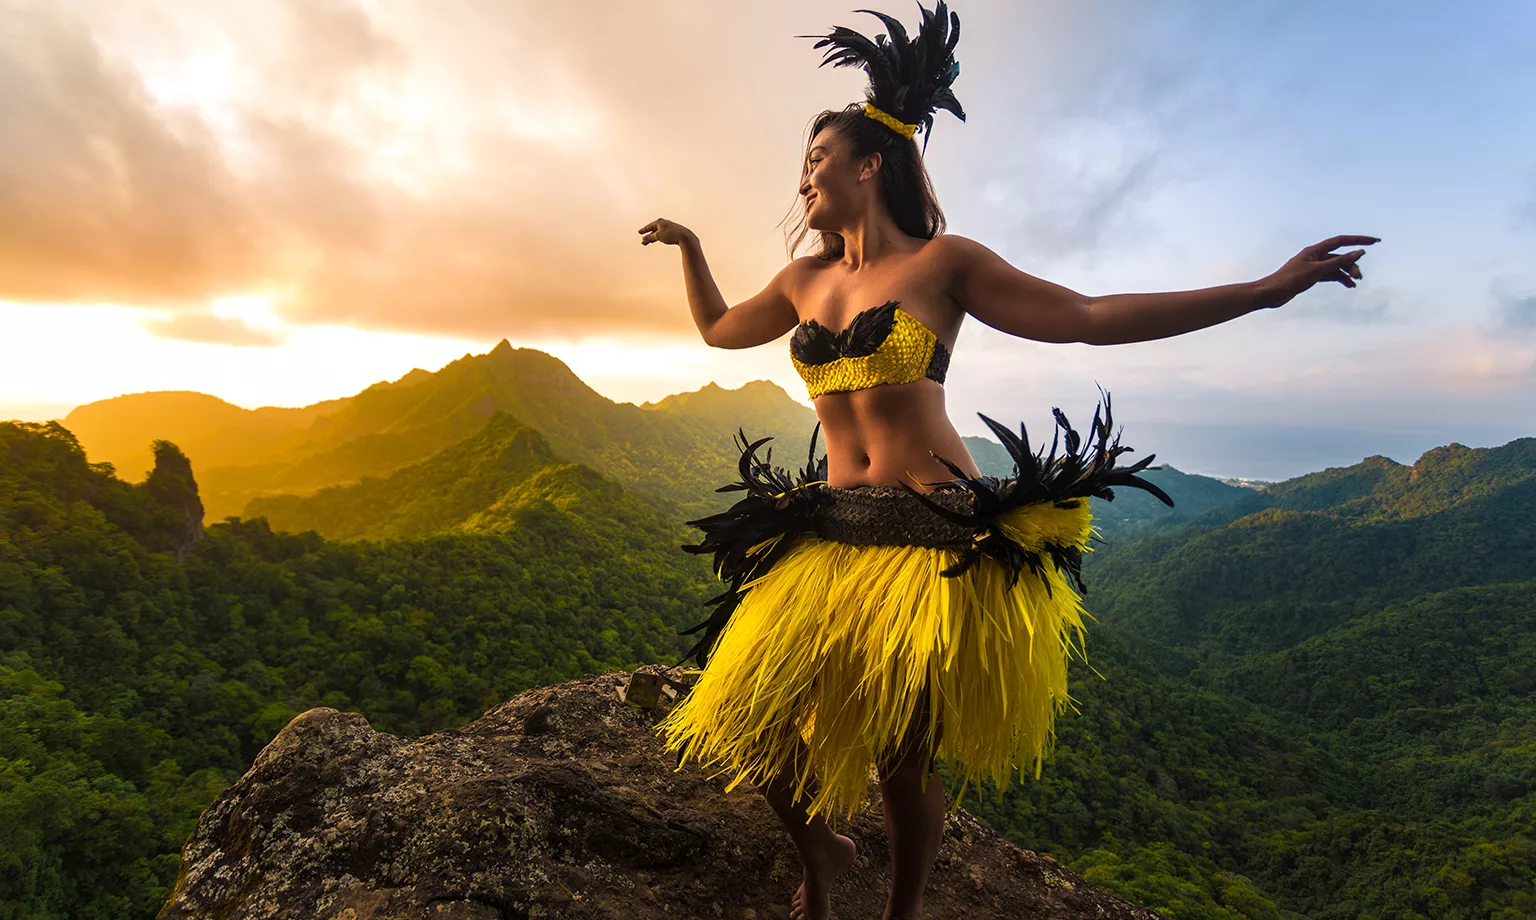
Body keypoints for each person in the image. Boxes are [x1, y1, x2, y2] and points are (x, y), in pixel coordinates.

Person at [637, 4, 1376, 918]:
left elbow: (1090, 316)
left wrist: (1264, 292)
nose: (803, 181)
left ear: (870, 164)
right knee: (757, 725)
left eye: (818, 160)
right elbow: (716, 332)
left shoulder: (946, 262)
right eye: (802, 167)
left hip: (932, 540)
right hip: (829, 536)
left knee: (903, 762)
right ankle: (824, 851)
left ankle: (902, 909)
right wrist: (693, 250)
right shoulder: (802, 282)